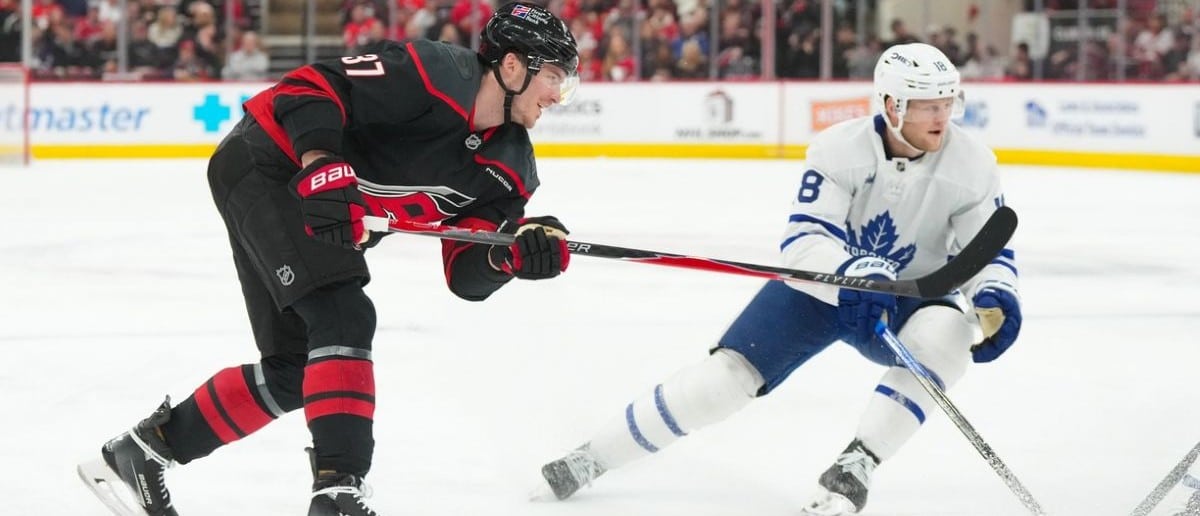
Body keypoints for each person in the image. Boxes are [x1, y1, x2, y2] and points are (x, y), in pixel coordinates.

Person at [76, 3, 579, 515]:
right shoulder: (434, 75)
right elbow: (308, 89)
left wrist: (514, 254)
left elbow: (465, 275)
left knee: (299, 371)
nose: (558, 95)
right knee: (343, 315)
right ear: (513, 67)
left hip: (304, 203)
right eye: (555, 76)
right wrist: (322, 164)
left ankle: (143, 452)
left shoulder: (511, 170)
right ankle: (338, 492)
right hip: (266, 161)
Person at [533, 42, 1021, 516]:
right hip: (823, 290)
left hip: (908, 300)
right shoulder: (838, 149)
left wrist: (995, 294)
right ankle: (593, 456)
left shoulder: (973, 165)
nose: (942, 117)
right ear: (893, 105)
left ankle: (858, 463)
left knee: (949, 334)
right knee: (720, 383)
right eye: (927, 106)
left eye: (948, 103)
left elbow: (986, 251)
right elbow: (805, 240)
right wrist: (854, 275)